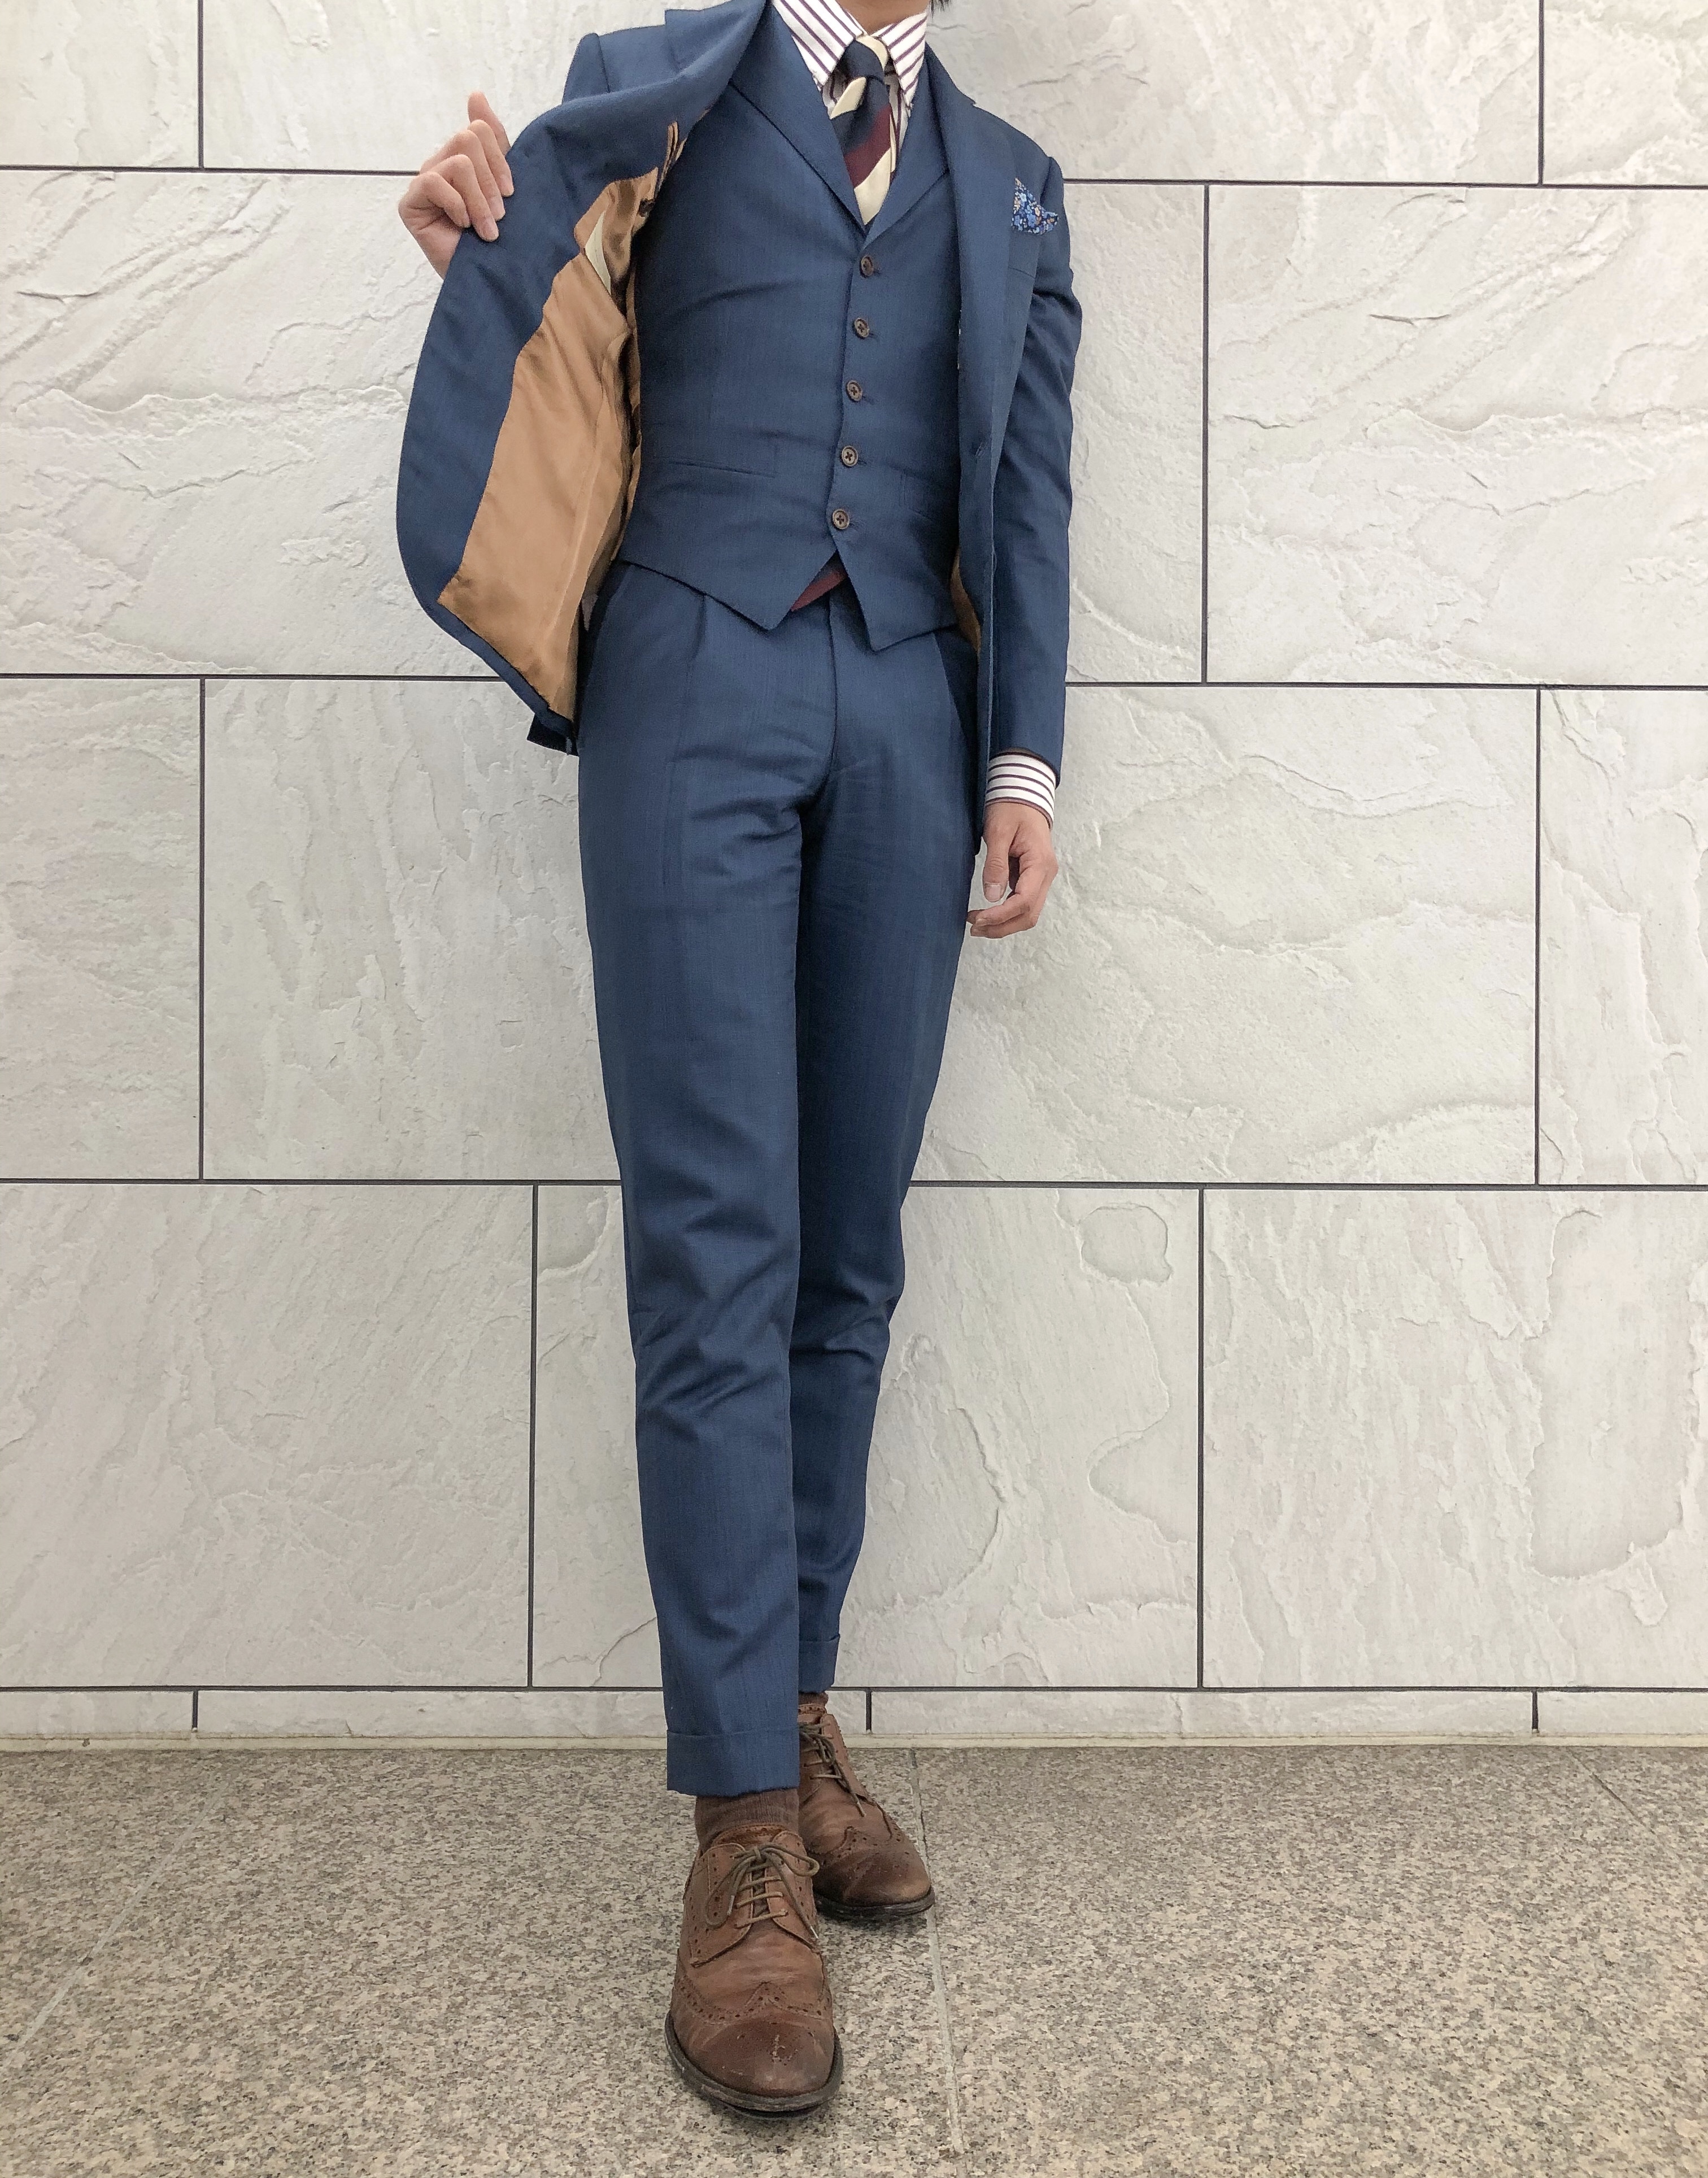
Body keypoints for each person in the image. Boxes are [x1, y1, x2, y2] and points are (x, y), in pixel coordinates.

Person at [396, 0, 1078, 2116]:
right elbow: (552, 300)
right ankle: (739, 1842)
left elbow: (1030, 492)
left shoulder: (1013, 183)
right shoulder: (660, 82)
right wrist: (479, 245)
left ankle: (788, 1710)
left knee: (846, 1260)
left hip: (910, 708)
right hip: (691, 678)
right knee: (716, 1249)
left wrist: (1023, 764)